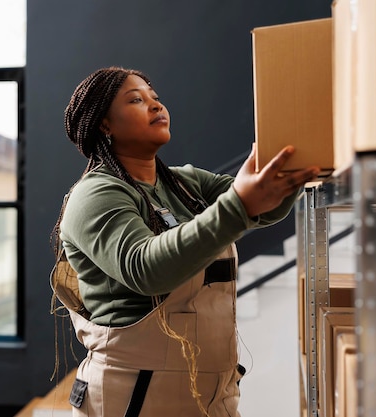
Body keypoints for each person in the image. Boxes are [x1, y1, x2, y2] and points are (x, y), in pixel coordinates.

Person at [50, 66, 319, 417]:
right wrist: (239, 205)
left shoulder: (184, 183)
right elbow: (146, 268)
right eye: (136, 100)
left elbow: (265, 210)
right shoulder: (95, 195)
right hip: (133, 399)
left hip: (210, 397)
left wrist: (292, 168)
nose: (155, 105)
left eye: (155, 98)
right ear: (105, 124)